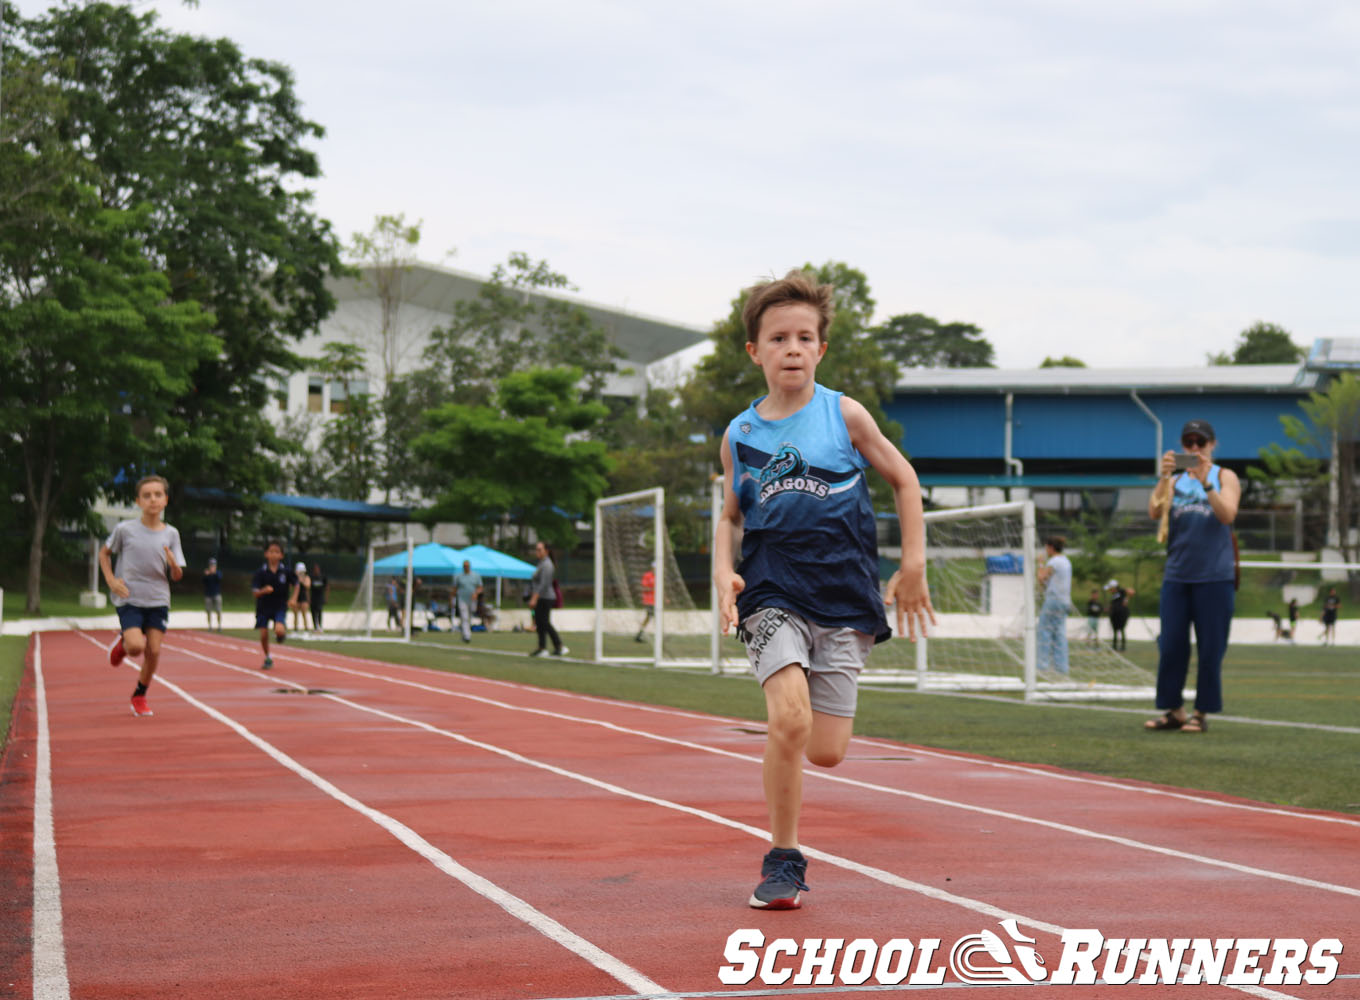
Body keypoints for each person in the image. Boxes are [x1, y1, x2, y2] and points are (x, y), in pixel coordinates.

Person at [713, 270, 934, 911]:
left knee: (827, 751)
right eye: (778, 337)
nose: (792, 348)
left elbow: (905, 478)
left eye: (804, 337)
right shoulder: (741, 435)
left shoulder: (844, 414)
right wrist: (724, 571)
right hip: (771, 586)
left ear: (821, 350)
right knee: (788, 720)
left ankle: (803, 698)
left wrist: (913, 563)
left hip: (842, 591)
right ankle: (784, 858)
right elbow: (730, 516)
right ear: (754, 350)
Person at [1144, 419, 1240, 734]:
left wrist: (1206, 483)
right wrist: (1164, 477)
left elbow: (1227, 514)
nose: (1195, 449)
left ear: (1213, 444)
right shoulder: (1173, 482)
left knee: (1211, 648)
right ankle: (1174, 711)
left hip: (1214, 577)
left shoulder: (1225, 476)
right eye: (1189, 444)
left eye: (1201, 443)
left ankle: (1201, 712)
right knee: (1171, 645)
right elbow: (1154, 512)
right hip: (1178, 576)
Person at [100, 474, 187, 716]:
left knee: (154, 651)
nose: (153, 500)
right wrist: (110, 580)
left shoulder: (172, 534)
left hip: (158, 599)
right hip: (129, 597)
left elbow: (177, 575)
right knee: (137, 646)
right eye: (147, 496)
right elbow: (104, 554)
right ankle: (125, 642)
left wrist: (174, 566)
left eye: (158, 495)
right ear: (138, 501)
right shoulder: (124, 530)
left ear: (166, 500)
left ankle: (139, 694)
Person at [251, 540, 297, 670]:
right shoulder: (261, 572)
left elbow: (297, 584)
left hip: (280, 606)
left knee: (278, 629)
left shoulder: (286, 571)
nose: (274, 554)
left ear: (281, 555)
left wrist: (293, 598)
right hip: (263, 607)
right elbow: (255, 592)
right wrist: (263, 591)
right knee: (264, 634)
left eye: (277, 552)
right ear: (266, 554)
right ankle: (268, 657)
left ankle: (281, 634)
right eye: (271, 551)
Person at [1036, 536, 1072, 676]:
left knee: (1044, 631)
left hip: (1054, 600)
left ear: (1051, 547)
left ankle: (1042, 665)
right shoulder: (1066, 561)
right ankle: (1061, 667)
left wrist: (1040, 563)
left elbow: (1041, 578)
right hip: (1064, 601)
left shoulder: (1055, 561)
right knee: (1060, 634)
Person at [528, 541, 567, 657]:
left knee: (544, 622)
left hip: (545, 597)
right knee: (540, 623)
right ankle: (542, 647)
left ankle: (559, 645)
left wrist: (534, 598)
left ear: (546, 551)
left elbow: (544, 584)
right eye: (536, 549)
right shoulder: (541, 563)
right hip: (541, 597)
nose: (537, 552)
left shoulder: (547, 565)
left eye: (540, 549)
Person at [453, 559, 484, 644]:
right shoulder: (458, 576)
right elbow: (455, 589)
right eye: (464, 566)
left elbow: (480, 587)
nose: (466, 567)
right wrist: (451, 599)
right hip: (462, 599)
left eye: (467, 566)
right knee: (464, 617)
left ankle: (464, 633)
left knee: (469, 617)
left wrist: (476, 593)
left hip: (472, 600)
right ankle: (467, 636)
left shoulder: (476, 576)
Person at [1104, 579, 1135, 651]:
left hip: (1122, 614)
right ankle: (1114, 646)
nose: (1109, 590)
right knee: (1115, 630)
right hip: (1114, 614)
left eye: (1110, 588)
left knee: (1121, 629)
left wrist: (1127, 599)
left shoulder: (1121, 591)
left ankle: (1123, 647)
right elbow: (1114, 604)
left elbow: (1132, 592)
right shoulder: (1114, 595)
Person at [635, 564, 656, 642]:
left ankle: (639, 634)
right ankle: (640, 634)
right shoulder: (647, 576)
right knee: (650, 616)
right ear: (652, 568)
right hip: (648, 601)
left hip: (656, 601)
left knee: (650, 617)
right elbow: (644, 588)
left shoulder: (658, 576)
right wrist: (653, 588)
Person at [202, 557, 224, 632]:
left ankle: (219, 626)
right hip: (208, 595)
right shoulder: (206, 573)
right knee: (208, 611)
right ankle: (210, 626)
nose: (212, 566)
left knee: (218, 611)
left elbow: (219, 578)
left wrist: (213, 573)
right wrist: (207, 575)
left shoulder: (218, 573)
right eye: (211, 565)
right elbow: (203, 581)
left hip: (217, 594)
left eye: (213, 565)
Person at [290, 562, 311, 633]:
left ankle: (306, 628)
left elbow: (308, 586)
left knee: (304, 614)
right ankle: (295, 628)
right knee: (295, 614)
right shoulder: (294, 578)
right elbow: (290, 586)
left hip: (303, 597)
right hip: (296, 597)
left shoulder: (306, 577)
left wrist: (301, 581)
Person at [309, 563, 328, 633]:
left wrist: (326, 597)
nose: (316, 570)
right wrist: (308, 598)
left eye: (317, 569)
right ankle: (315, 627)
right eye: (315, 569)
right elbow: (308, 588)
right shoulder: (311, 577)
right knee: (313, 612)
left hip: (320, 597)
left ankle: (320, 626)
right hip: (313, 597)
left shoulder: (323, 577)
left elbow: (327, 587)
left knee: (319, 611)